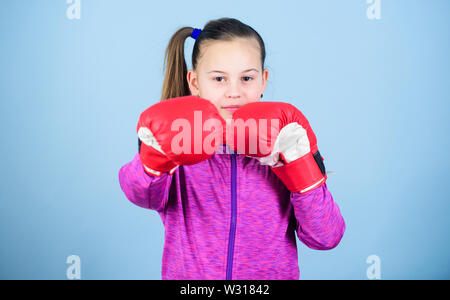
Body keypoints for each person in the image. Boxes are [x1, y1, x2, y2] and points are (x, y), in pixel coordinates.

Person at [118, 17, 345, 280]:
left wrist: (301, 169)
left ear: (263, 81)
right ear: (194, 83)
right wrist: (155, 160)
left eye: (246, 77)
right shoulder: (179, 145)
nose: (233, 92)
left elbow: (326, 237)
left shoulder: (284, 143)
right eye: (219, 79)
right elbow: (140, 195)